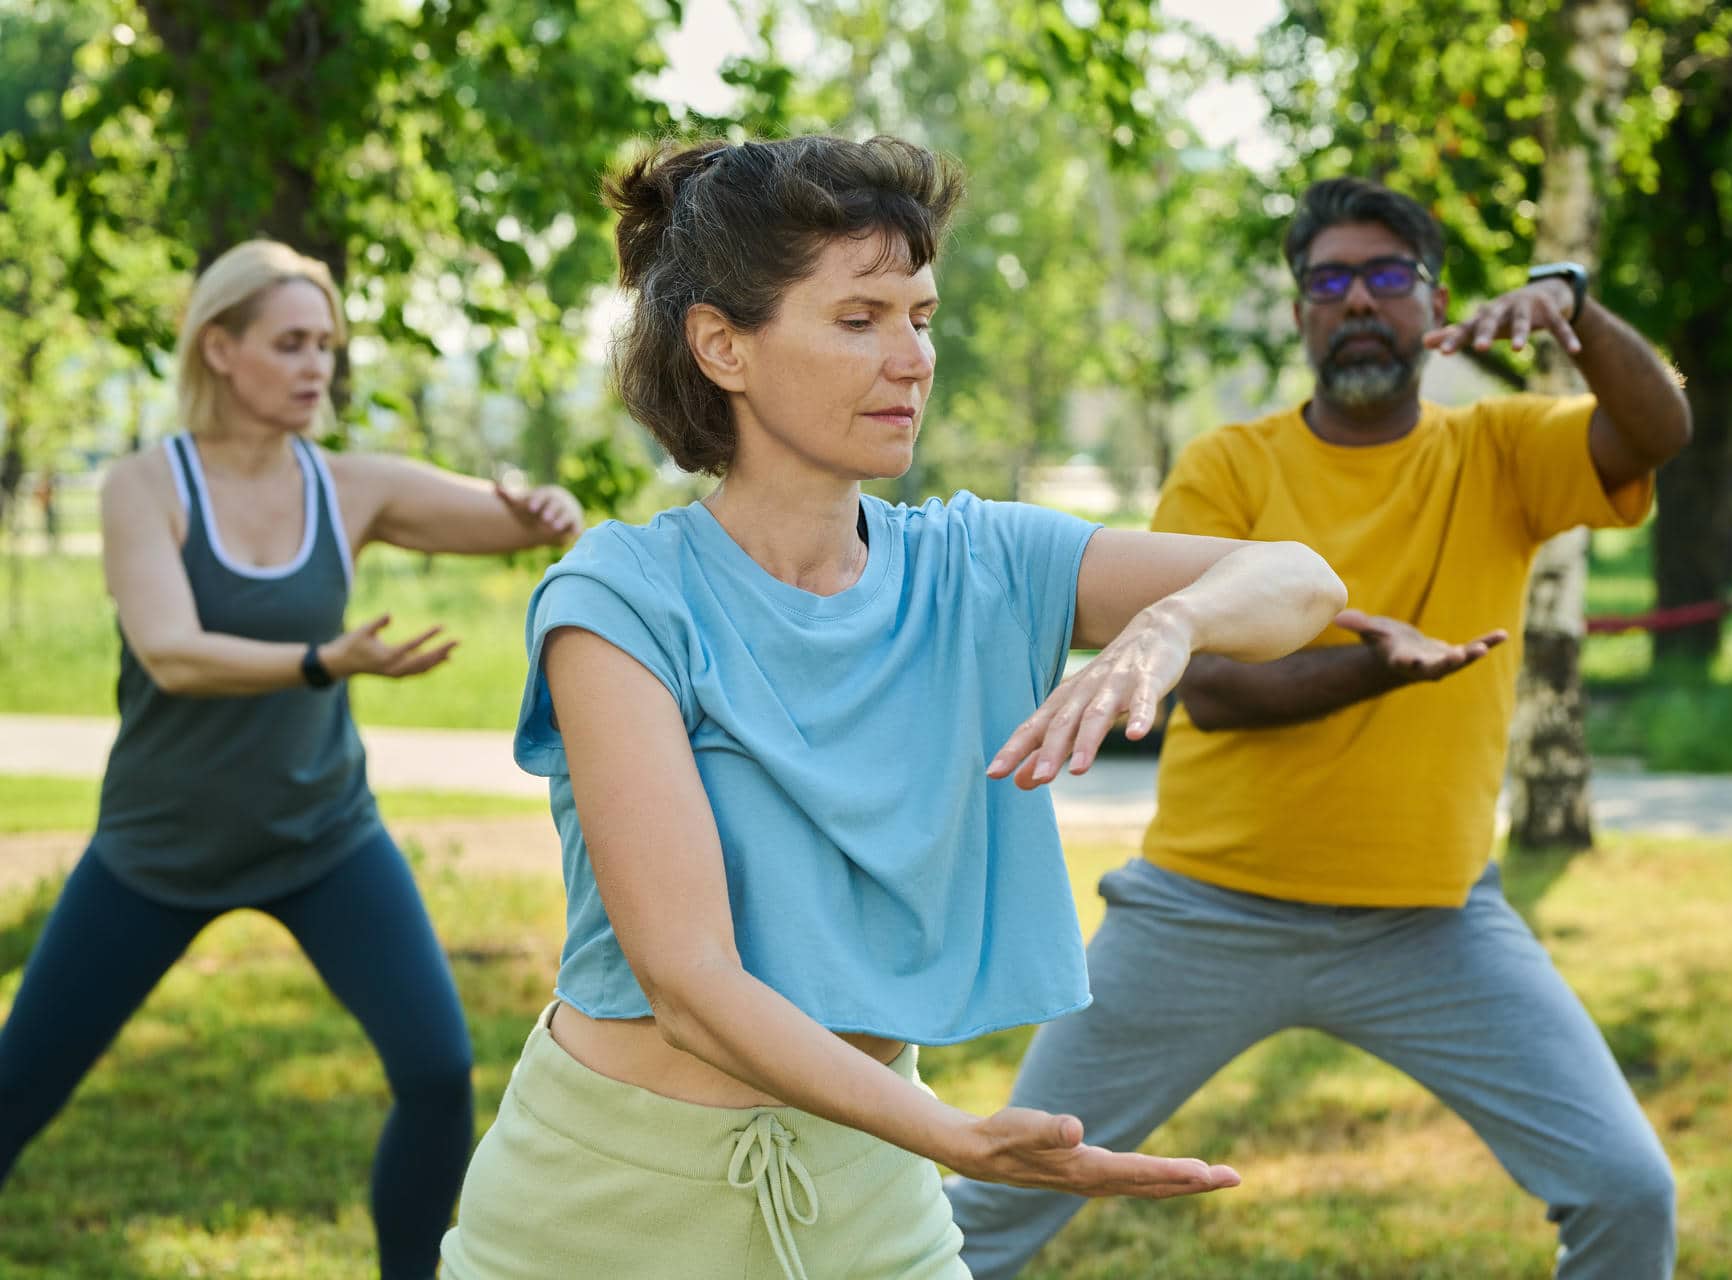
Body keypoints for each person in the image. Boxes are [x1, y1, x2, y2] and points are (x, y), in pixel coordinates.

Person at [436, 134, 1347, 1280]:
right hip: (606, 1209)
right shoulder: (619, 599)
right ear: (723, 344)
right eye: (860, 318)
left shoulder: (984, 560)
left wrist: (1175, 620)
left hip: (868, 1203)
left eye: (920, 316)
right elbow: (689, 980)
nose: (911, 357)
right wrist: (955, 1139)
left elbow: (1306, 580)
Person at [946, 177, 1695, 1278]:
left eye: (1387, 276)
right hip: (1204, 916)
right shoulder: (1230, 467)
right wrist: (1373, 670)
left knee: (1630, 1190)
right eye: (1328, 280)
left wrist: (1573, 311)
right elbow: (1213, 688)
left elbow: (1658, 428)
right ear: (1299, 311)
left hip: (1432, 923)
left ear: (1433, 302)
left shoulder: (1498, 452)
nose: (1357, 301)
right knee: (999, 1197)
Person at [0, 239, 584, 1279]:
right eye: (290, 342)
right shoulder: (144, 485)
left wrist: (547, 509)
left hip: (324, 839)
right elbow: (171, 652)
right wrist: (326, 659)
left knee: (439, 1067)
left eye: (327, 343)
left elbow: (514, 524)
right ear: (219, 349)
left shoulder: (349, 485)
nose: (317, 365)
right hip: (157, 851)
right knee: (16, 1092)